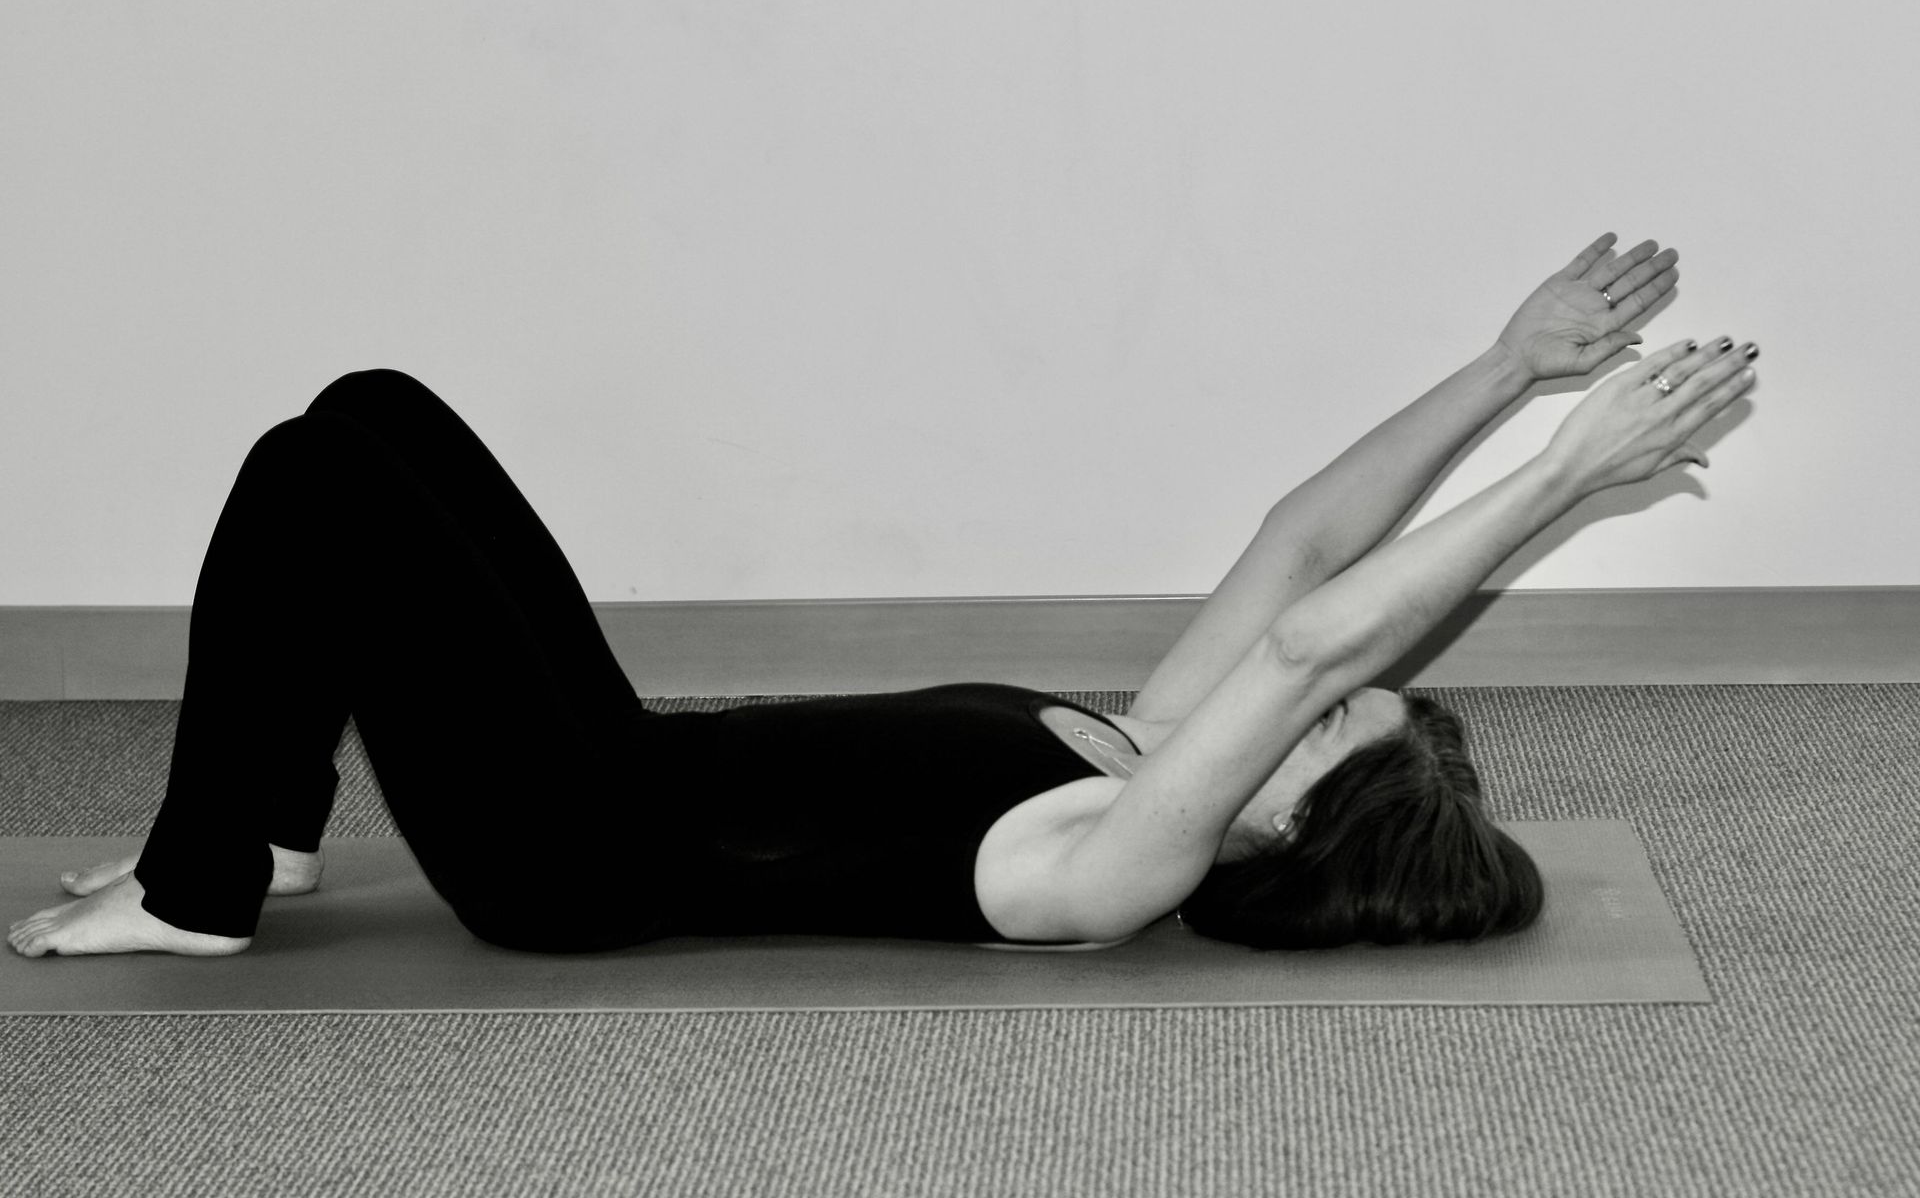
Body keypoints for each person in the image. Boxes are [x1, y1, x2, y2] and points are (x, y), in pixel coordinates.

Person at [8, 233, 1758, 960]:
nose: (1306, 691)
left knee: (325, 480)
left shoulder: (1116, 862)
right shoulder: (1135, 745)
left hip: (555, 850)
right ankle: (276, 822)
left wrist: (1563, 483)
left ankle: (208, 886)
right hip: (615, 750)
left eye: (1324, 725)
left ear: (1289, 824)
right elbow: (1300, 552)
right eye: (1337, 698)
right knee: (372, 418)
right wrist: (1504, 370)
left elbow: (1325, 626)